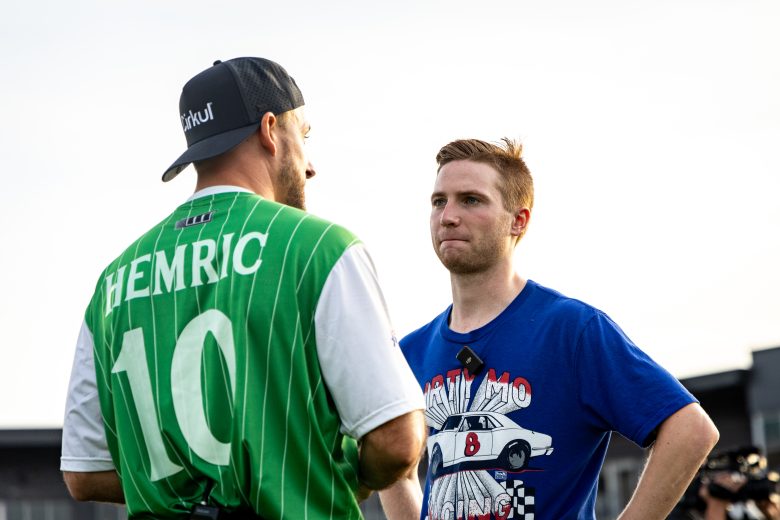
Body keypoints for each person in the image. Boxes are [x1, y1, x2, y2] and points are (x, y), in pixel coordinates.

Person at [60, 57, 426, 519]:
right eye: (304, 135)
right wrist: (340, 475)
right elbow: (398, 440)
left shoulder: (112, 282)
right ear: (270, 130)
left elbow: (84, 473)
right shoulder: (317, 248)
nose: (310, 165)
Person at [380, 138, 720, 519]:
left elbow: (691, 430)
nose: (448, 216)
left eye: (471, 200)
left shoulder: (571, 330)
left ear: (518, 220)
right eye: (439, 201)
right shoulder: (410, 352)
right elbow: (393, 466)